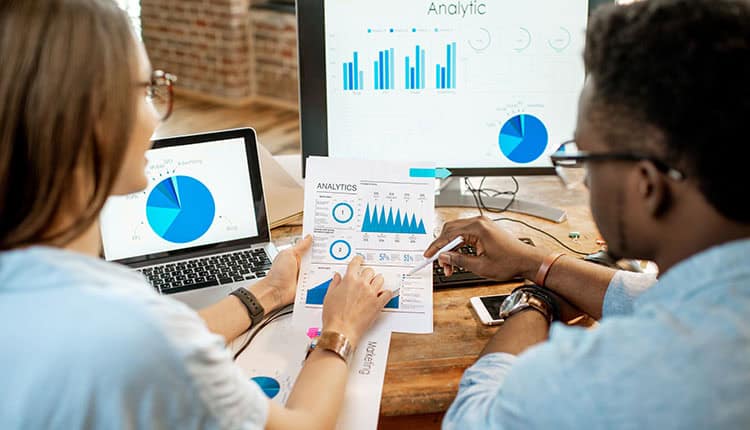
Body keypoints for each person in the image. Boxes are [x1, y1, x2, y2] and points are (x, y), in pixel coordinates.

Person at [0, 1, 393, 429]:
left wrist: (272, 291)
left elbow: (168, 337)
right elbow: (299, 426)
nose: (154, 114)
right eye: (147, 90)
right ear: (95, 119)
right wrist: (341, 329)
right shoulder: (133, 327)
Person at [427, 0, 750, 428]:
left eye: (587, 158)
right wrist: (535, 264)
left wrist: (531, 303)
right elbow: (657, 297)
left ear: (646, 184)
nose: (586, 182)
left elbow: (473, 419)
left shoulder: (638, 369)